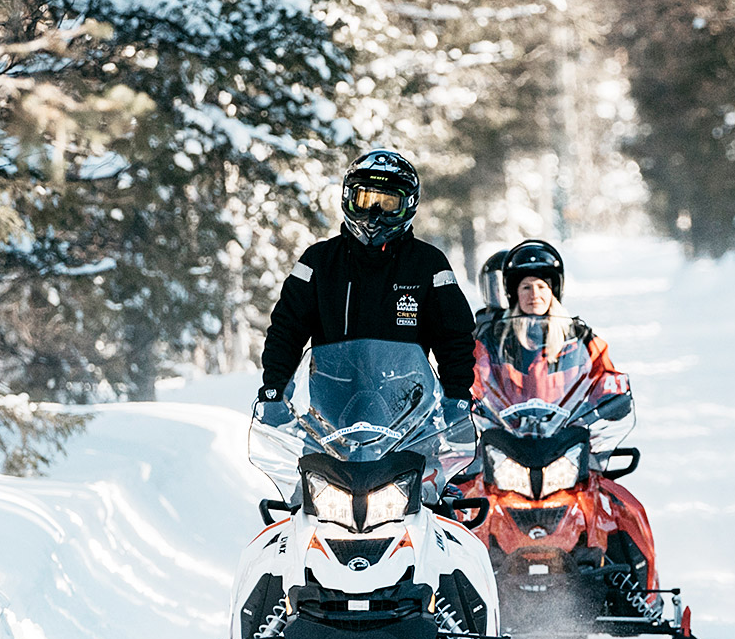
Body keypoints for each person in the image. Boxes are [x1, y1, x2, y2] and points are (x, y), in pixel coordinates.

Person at [256, 149, 477, 431]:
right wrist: (275, 391)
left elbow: (454, 339)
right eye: (365, 200)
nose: (374, 214)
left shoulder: (428, 264)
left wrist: (456, 398)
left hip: (409, 418)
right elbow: (286, 331)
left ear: (407, 205)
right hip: (328, 419)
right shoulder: (318, 262)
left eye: (388, 203)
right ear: (349, 198)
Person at [472, 238, 629, 413]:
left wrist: (610, 395)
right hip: (505, 428)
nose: (534, 295)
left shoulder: (579, 338)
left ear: (553, 291)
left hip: (566, 427)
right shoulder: (494, 339)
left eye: (541, 286)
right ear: (514, 294)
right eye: (526, 287)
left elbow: (603, 374)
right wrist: (467, 401)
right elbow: (475, 378)